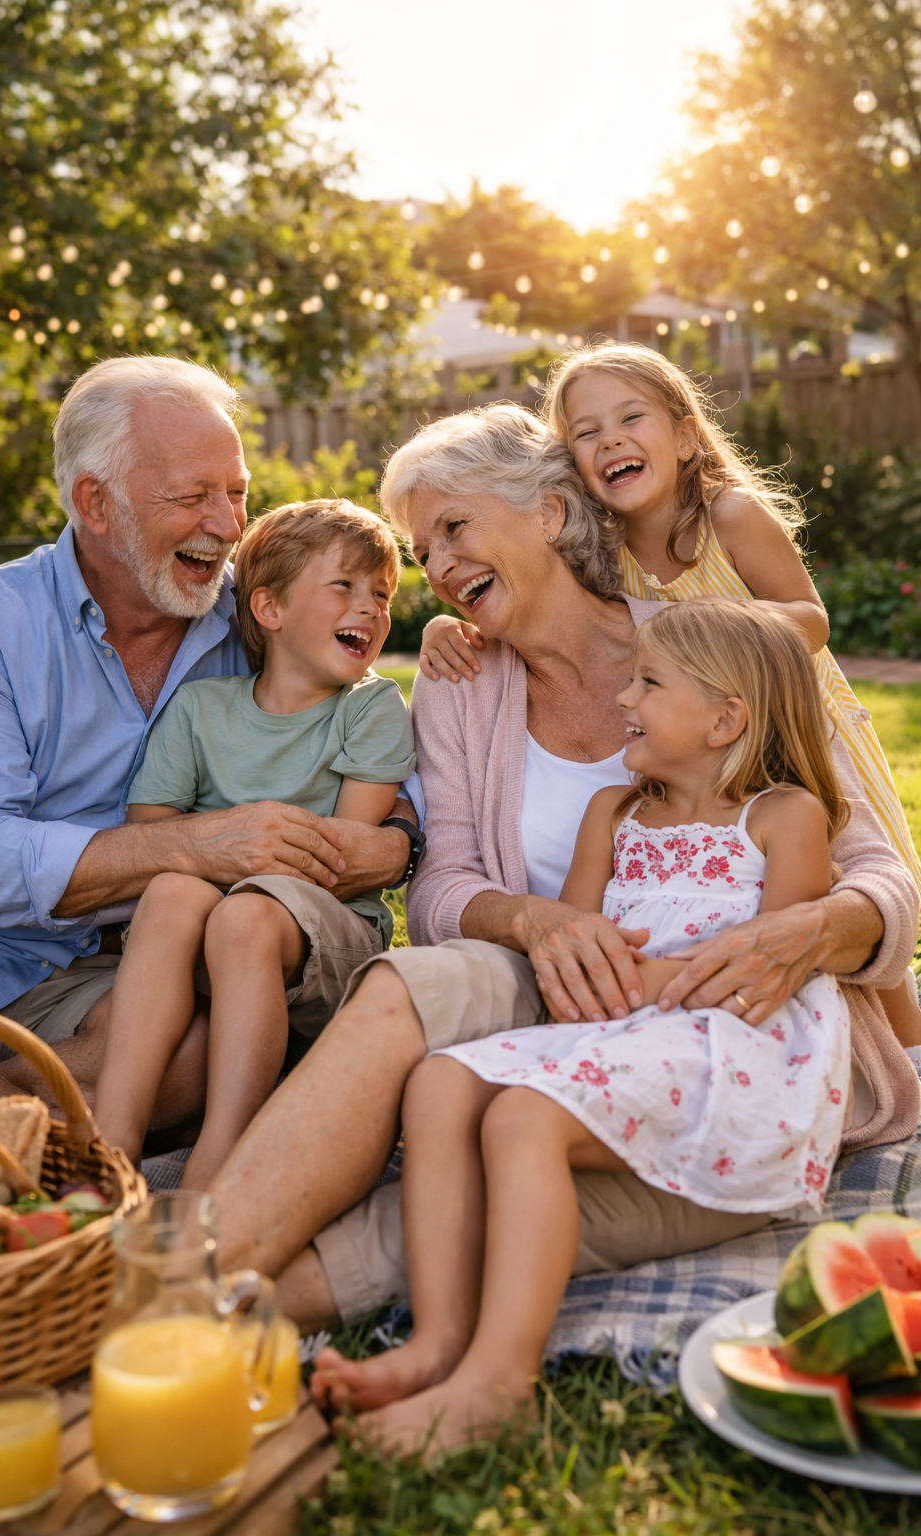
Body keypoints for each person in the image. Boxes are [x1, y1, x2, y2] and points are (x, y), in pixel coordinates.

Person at [202, 404, 918, 1340]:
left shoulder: (717, 644)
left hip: (721, 1015)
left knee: (493, 1186)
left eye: (455, 528)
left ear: (546, 511)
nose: (441, 567)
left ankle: (201, 1295)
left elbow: (878, 867)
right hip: (553, 987)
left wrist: (814, 929)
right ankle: (205, 1255)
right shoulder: (459, 688)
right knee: (406, 985)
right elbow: (442, 886)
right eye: (425, 553)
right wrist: (536, 924)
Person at [311, 598, 854, 1449]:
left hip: (737, 1053)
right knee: (441, 1081)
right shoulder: (614, 814)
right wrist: (587, 975)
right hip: (623, 1030)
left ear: (725, 719)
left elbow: (765, 973)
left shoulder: (783, 818)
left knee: (522, 1118)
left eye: (648, 683)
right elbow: (575, 952)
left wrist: (639, 980)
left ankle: (499, 1383)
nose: (623, 701)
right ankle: (436, 1344)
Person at [0, 357, 417, 1120]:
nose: (229, 525)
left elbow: (366, 728)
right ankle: (21, 1128)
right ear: (95, 503)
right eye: (193, 496)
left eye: (237, 492)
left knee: (207, 1051)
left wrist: (402, 839)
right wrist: (196, 845)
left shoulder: (260, 615)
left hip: (127, 967)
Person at [420, 344, 921, 1046]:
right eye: (586, 433)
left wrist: (723, 643)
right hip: (704, 730)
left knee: (840, 876)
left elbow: (810, 617)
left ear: (686, 435)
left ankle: (905, 1056)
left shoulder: (730, 516)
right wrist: (449, 619)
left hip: (782, 703)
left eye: (631, 418)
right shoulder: (608, 549)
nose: (611, 441)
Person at [94, 500, 415, 1185]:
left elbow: (342, 859)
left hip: (325, 938)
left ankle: (223, 1154)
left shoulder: (370, 708)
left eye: (381, 594)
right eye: (345, 587)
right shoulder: (201, 710)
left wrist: (236, 862)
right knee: (175, 890)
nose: (370, 607)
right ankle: (111, 1138)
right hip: (209, 926)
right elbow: (149, 835)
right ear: (268, 610)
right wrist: (214, 858)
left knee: (243, 915)